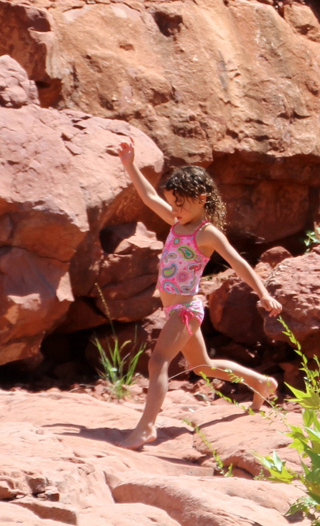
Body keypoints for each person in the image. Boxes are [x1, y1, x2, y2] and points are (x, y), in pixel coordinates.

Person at [114, 137, 282, 450]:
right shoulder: (178, 222)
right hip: (174, 308)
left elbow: (239, 263)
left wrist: (263, 293)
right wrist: (130, 165)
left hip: (186, 309)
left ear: (202, 198)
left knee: (158, 360)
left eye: (180, 203)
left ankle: (147, 426)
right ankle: (261, 383)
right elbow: (150, 197)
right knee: (203, 366)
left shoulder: (206, 232)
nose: (174, 210)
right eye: (173, 203)